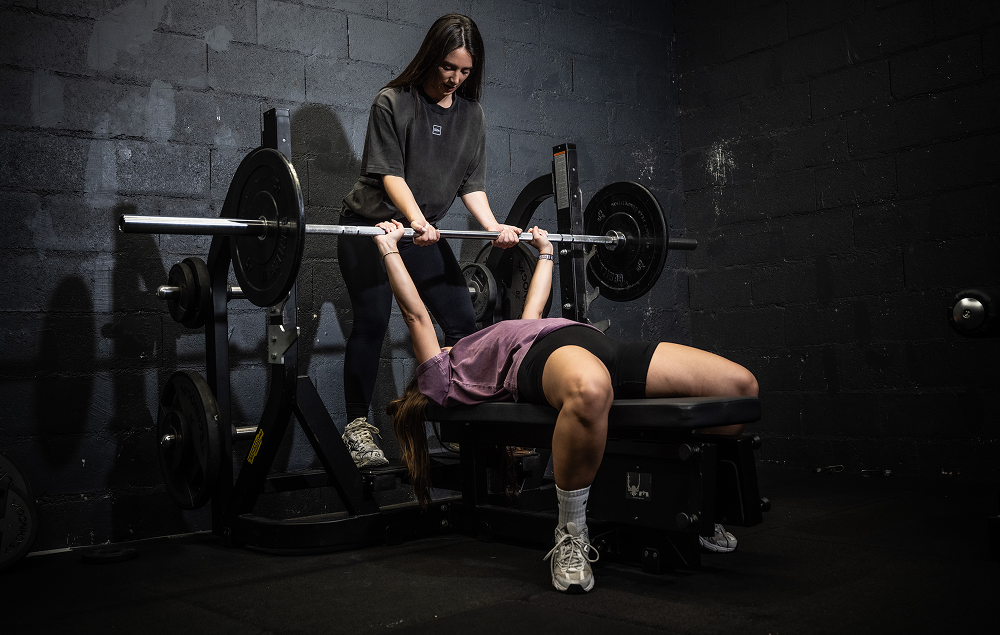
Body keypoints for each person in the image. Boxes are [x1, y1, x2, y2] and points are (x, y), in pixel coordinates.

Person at [373, 219, 759, 594]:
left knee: (739, 386)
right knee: (590, 391)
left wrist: (545, 253)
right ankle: (571, 535)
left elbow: (534, 311)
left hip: (596, 344)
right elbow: (416, 315)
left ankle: (697, 512)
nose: (439, 345)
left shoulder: (491, 337)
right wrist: (390, 249)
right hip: (544, 360)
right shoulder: (441, 376)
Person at [336, 14, 521, 468]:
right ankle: (357, 427)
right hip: (372, 227)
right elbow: (389, 173)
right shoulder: (393, 102)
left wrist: (494, 226)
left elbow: (470, 185)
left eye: (464, 71)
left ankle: (460, 421)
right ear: (429, 59)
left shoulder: (472, 115)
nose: (455, 79)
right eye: (447, 68)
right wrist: (417, 220)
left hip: (421, 232)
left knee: (464, 325)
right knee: (372, 322)